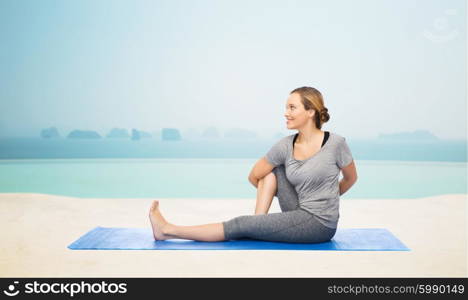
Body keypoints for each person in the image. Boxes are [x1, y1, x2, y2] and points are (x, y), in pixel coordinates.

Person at [149, 86, 358, 243]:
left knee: (240, 224)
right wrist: (263, 214)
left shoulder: (336, 143)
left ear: (311, 111)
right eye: (286, 107)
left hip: (319, 224)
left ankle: (167, 230)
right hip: (297, 208)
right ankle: (258, 223)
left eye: (292, 107)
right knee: (272, 171)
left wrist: (328, 197)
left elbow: (351, 178)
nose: (286, 112)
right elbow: (254, 176)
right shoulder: (285, 145)